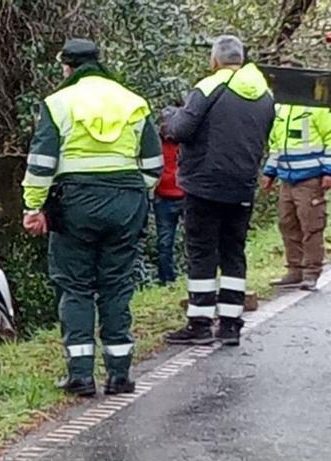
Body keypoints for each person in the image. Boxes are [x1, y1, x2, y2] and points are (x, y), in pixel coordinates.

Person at [22, 39, 163, 397]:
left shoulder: (57, 103)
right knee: (117, 287)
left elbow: (41, 165)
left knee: (76, 286)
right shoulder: (133, 102)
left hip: (76, 207)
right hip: (126, 202)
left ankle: (81, 375)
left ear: (67, 67)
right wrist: (131, 195)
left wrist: (34, 207)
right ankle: (120, 375)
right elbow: (153, 167)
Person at [162, 35, 275, 347]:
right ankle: (230, 325)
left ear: (215, 61)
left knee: (202, 252)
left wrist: (170, 116)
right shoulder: (265, 93)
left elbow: (180, 129)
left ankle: (199, 323)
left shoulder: (210, 87)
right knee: (233, 252)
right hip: (242, 184)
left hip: (204, 183)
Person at [261, 64, 331, 291]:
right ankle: (294, 270)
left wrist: (328, 171)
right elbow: (276, 145)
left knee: (311, 225)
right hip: (287, 178)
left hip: (311, 178)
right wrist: (269, 173)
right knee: (287, 223)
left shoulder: (317, 108)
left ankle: (311, 271)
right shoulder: (280, 109)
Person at [155, 116, 186, 285]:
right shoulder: (157, 145)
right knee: (164, 242)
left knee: (195, 239)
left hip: (185, 195)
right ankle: (167, 279)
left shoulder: (186, 141)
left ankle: (194, 275)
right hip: (164, 197)